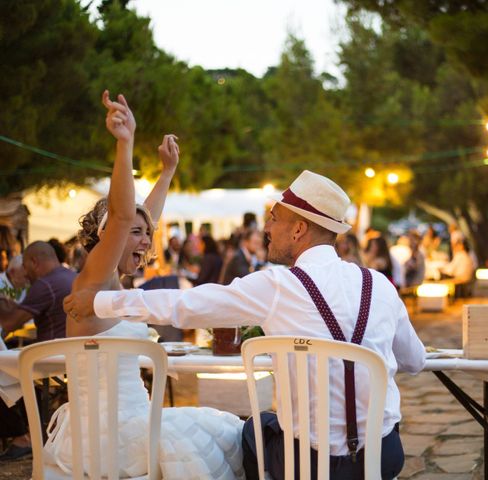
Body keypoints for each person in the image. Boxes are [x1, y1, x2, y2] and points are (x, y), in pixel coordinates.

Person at [64, 169, 427, 480]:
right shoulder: (379, 285)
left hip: (310, 465)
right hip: (384, 456)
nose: (266, 227)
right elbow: (414, 361)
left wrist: (97, 300)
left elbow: (186, 305)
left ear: (299, 229)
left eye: (274, 218)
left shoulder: (277, 286)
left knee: (254, 428)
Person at [50, 91, 244, 479]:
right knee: (226, 433)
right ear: (110, 238)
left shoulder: (112, 287)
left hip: (127, 425)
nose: (145, 241)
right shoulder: (93, 280)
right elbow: (124, 217)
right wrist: (125, 144)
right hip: (113, 435)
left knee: (226, 430)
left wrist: (168, 172)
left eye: (147, 235)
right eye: (135, 235)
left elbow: (138, 219)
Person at [0, 241, 76, 461]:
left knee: (6, 371)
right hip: (71, 356)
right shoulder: (70, 276)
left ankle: (25, 436)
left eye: (25, 266)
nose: (24, 272)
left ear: (34, 262)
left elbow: (11, 323)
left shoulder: (45, 284)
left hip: (52, 361)